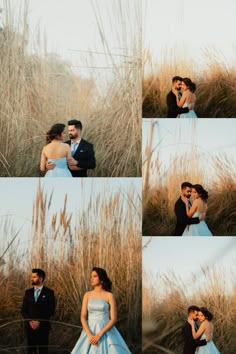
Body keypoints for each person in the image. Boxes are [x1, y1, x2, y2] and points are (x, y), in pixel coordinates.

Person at [71, 267, 131, 353]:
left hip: (105, 330)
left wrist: (99, 334)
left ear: (101, 278)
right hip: (89, 330)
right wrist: (90, 335)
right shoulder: (87, 295)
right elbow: (83, 316)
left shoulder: (109, 295)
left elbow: (113, 319)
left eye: (95, 276)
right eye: (91, 276)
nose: (92, 279)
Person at [21, 269, 56, 354]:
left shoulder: (49, 293)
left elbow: (51, 310)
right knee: (30, 351)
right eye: (31, 277)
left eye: (34, 277)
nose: (31, 279)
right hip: (30, 328)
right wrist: (30, 321)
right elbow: (23, 310)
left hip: (43, 328)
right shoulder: (28, 292)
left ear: (41, 279)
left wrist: (39, 321)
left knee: (43, 351)